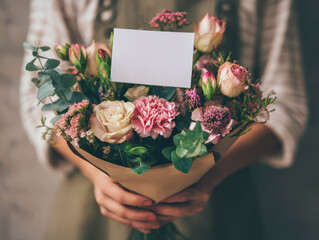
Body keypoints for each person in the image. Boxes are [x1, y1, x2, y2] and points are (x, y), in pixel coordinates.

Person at [20, 0, 308, 239]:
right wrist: (97, 174)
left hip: (216, 208)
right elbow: (38, 99)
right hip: (95, 214)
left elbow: (286, 104)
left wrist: (210, 172)